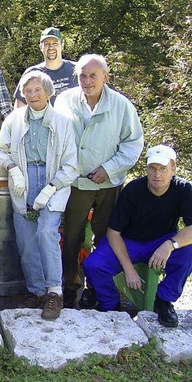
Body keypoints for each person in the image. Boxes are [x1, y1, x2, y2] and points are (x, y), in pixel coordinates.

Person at [54, 54, 144, 308]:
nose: (87, 80)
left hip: (109, 183)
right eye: (82, 75)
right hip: (75, 183)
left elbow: (133, 143)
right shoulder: (64, 101)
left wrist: (109, 168)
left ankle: (98, 288)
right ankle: (70, 287)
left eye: (93, 75)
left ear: (105, 76)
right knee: (71, 237)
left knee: (105, 238)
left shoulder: (121, 105)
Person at [83, 145, 192, 327]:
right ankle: (110, 305)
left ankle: (163, 301)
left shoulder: (183, 189)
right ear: (146, 169)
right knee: (93, 265)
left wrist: (169, 245)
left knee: (190, 250)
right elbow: (113, 232)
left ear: (173, 169)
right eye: (153, 168)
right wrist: (129, 269)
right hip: (129, 241)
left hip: (162, 241)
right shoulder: (133, 190)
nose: (157, 175)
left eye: (163, 169)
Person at [0, 71, 78, 320]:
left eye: (37, 90)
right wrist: (13, 169)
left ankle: (54, 293)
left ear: (48, 92)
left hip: (53, 181)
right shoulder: (15, 119)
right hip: (23, 183)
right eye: (27, 91)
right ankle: (37, 291)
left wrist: (51, 187)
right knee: (27, 242)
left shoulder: (63, 122)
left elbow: (72, 165)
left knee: (46, 233)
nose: (32, 95)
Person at [13, 27, 77, 108]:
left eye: (55, 43)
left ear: (62, 45)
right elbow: (19, 108)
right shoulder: (32, 73)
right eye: (46, 44)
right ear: (40, 47)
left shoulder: (77, 69)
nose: (51, 47)